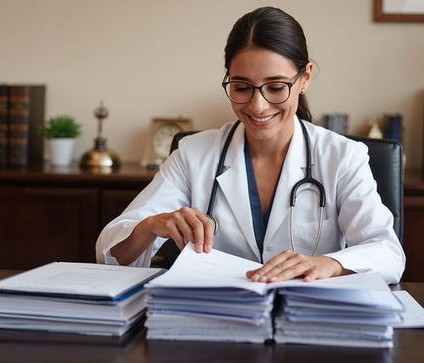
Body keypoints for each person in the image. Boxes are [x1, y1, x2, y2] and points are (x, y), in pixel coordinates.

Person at [96, 6, 405, 284]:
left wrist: (329, 263)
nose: (258, 106)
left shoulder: (342, 156)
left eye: (276, 87)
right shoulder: (193, 154)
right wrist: (151, 226)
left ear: (305, 77)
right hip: (218, 322)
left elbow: (388, 252)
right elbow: (111, 252)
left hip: (307, 324)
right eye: (241, 87)